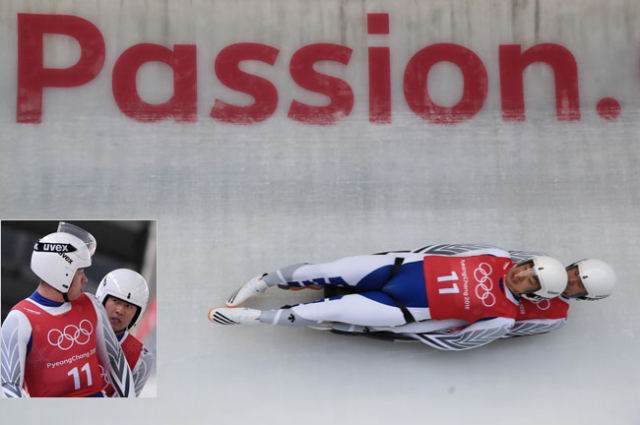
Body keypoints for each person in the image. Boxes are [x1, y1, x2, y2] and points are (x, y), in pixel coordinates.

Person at [209, 246, 568, 351]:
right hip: (395, 271)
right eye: (528, 267)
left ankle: (251, 319)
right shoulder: (494, 255)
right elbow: (443, 250)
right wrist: (401, 255)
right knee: (325, 269)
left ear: (534, 292)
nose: (522, 274)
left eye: (530, 279)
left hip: (400, 309)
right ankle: (262, 282)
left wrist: (408, 331)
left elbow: (456, 339)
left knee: (328, 309)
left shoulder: (503, 316)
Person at [1, 223, 135, 398]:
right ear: (61, 275)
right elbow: (9, 387)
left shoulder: (92, 304)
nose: (85, 280)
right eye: (80, 273)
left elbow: (115, 360)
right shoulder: (19, 320)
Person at [405, 244, 616, 337]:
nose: (571, 279)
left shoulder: (555, 317)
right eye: (576, 273)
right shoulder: (543, 261)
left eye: (579, 284)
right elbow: (503, 261)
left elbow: (509, 331)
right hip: (459, 283)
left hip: (475, 312)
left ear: (584, 296)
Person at [95, 268, 154, 397]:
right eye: (116, 301)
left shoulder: (141, 358)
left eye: (129, 306)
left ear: (137, 314)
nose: (120, 311)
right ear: (101, 298)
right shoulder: (74, 327)